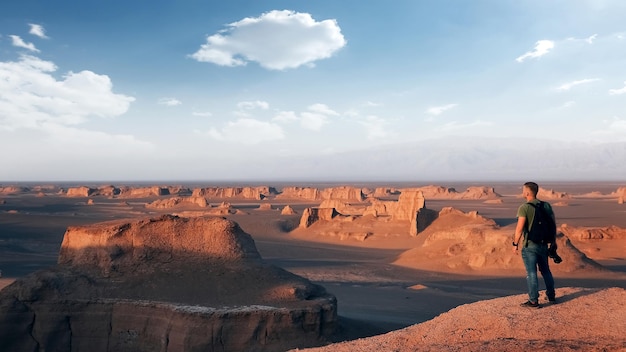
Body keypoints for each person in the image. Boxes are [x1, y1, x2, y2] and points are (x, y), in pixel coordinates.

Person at [512, 181, 556, 308]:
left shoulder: (524, 208)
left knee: (531, 273)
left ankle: (533, 300)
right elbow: (553, 224)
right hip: (543, 244)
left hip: (530, 245)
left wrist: (515, 244)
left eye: (523, 190)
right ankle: (551, 295)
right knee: (546, 271)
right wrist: (553, 242)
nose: (522, 192)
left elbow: (519, 228)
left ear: (527, 192)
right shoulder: (546, 206)